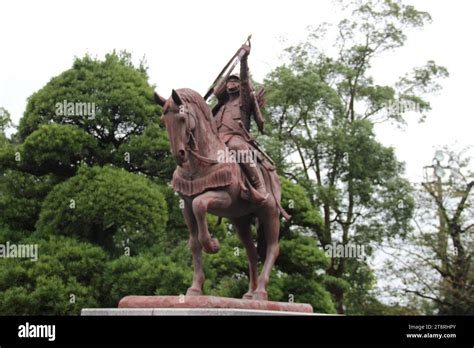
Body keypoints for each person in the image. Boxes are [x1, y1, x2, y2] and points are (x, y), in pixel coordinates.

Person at [213, 44, 268, 203]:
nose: (231, 82)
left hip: (236, 137)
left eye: (235, 81)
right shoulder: (220, 106)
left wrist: (243, 59)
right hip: (218, 139)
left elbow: (244, 79)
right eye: (229, 80)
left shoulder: (243, 100)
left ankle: (259, 187)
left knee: (238, 148)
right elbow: (217, 90)